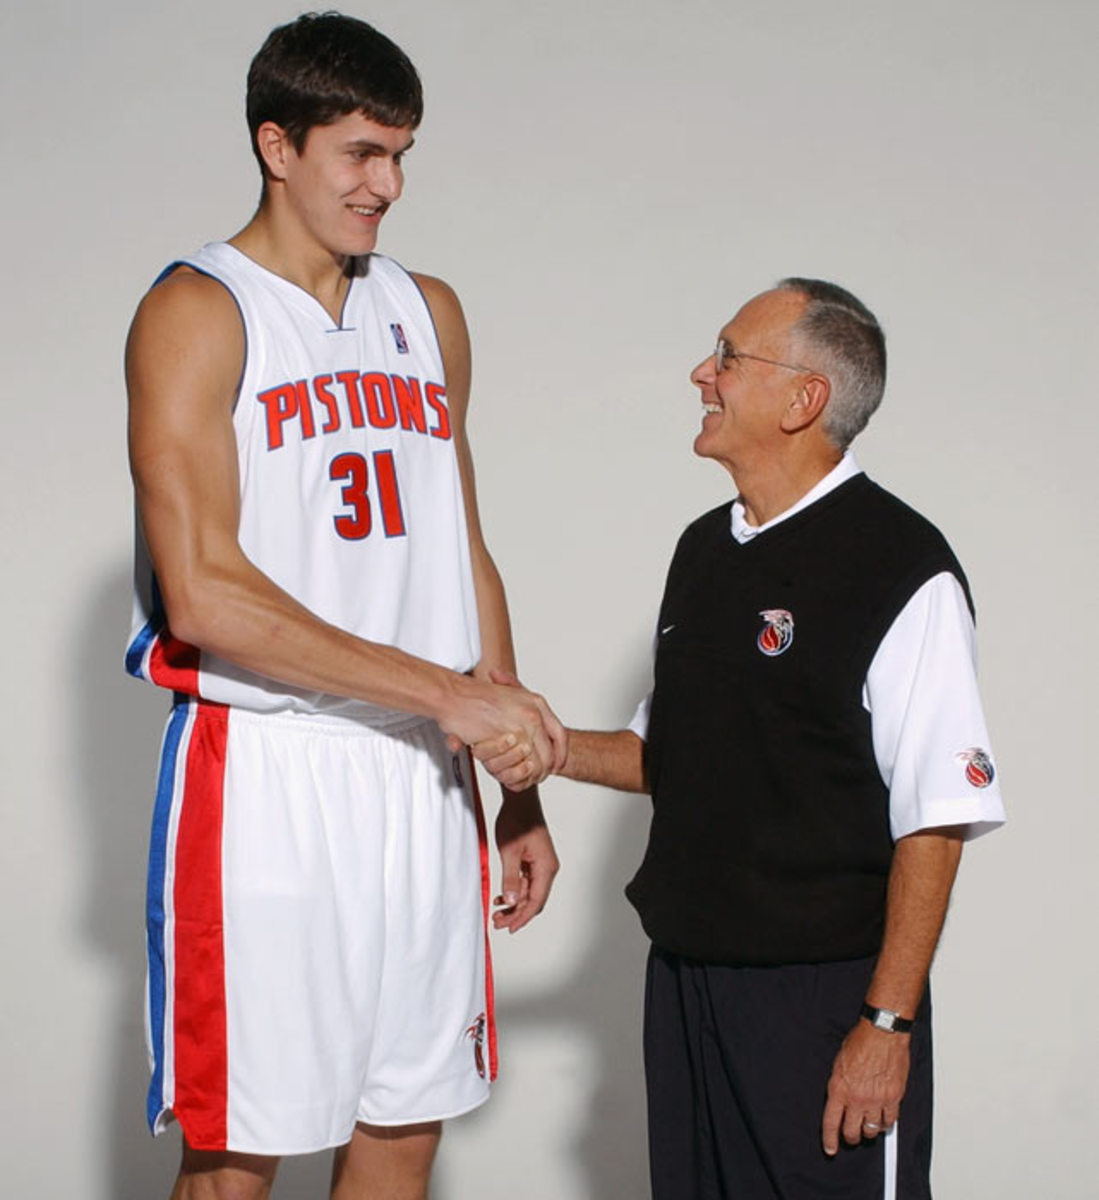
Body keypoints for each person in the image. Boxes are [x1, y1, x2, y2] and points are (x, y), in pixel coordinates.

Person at [124, 14, 564, 1199]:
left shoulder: (430, 313)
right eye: (360, 154)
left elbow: (459, 544)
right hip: (268, 768)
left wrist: (512, 775)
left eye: (403, 154)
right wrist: (451, 701)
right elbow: (203, 594)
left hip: (422, 776)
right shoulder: (199, 312)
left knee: (404, 1121)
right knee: (239, 1154)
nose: (389, 185)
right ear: (278, 144)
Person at [481, 278, 1004, 1198]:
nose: (700, 374)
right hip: (685, 988)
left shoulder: (901, 568)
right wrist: (543, 744)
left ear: (804, 400)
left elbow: (939, 815)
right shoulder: (703, 549)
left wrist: (884, 1027)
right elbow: (667, 755)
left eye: (727, 356)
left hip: (822, 1001)